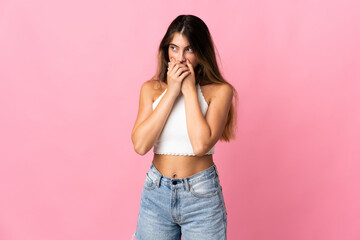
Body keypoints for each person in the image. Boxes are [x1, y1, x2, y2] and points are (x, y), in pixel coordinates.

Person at [131, 14, 238, 240]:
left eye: (188, 49)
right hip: (155, 193)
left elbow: (200, 144)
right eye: (174, 48)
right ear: (166, 49)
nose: (180, 58)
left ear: (201, 52)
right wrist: (171, 91)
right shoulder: (151, 89)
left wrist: (189, 90)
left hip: (201, 197)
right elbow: (140, 145)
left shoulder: (220, 91)